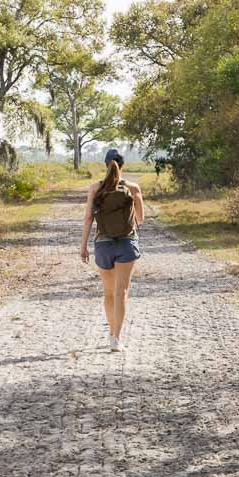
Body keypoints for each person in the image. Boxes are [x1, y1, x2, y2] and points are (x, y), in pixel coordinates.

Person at [80, 147, 144, 351]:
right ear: (122, 165)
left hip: (103, 244)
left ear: (105, 165)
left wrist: (83, 247)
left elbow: (88, 219)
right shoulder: (133, 188)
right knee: (121, 292)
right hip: (126, 243)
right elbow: (140, 219)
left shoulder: (95, 188)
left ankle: (110, 332)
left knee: (109, 292)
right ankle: (116, 339)